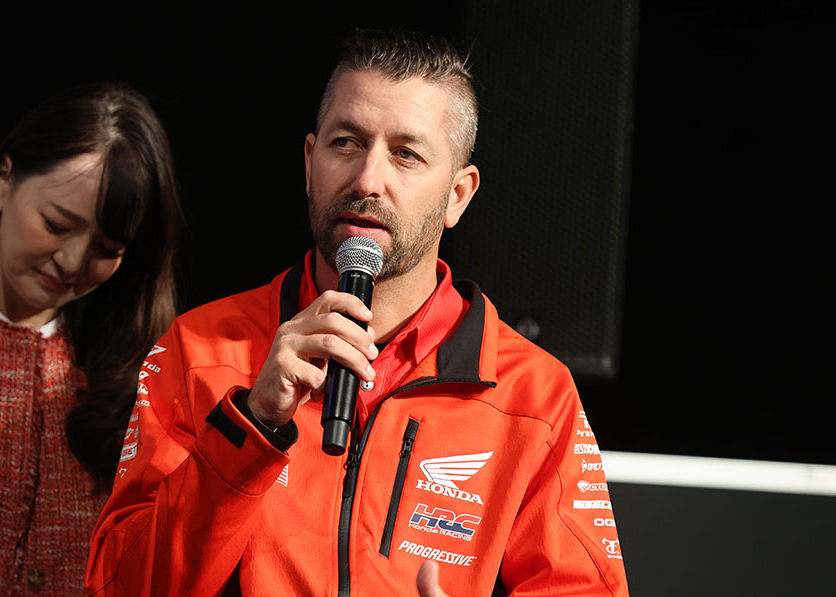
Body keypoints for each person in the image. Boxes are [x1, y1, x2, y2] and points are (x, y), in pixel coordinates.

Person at [86, 29, 629, 596]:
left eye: (406, 154)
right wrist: (252, 422)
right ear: (308, 163)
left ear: (458, 196)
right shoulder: (198, 349)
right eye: (346, 143)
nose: (368, 180)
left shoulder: (535, 397)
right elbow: (119, 587)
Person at [0, 82, 183, 596]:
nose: (72, 262)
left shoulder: (142, 366)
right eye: (56, 224)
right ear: (1, 183)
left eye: (106, 248)